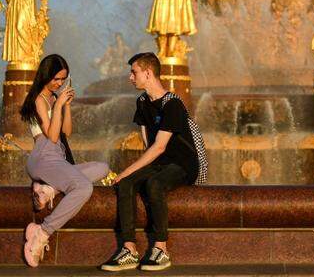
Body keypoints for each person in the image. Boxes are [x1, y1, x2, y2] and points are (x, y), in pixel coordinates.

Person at [100, 52, 199, 272]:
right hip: (160, 162)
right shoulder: (142, 102)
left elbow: (160, 146)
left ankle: (161, 249)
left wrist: (126, 171)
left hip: (183, 164)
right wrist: (129, 177)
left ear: (148, 73)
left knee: (153, 184)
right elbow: (148, 145)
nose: (130, 77)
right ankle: (129, 250)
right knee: (125, 184)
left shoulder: (172, 104)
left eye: (134, 72)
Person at [20, 54, 109, 267]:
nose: (59, 83)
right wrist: (58, 104)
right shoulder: (38, 99)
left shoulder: (54, 98)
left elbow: (66, 132)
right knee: (84, 187)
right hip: (43, 155)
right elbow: (51, 136)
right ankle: (42, 232)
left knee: (102, 167)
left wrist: (66, 105)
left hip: (56, 157)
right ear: (46, 75)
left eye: (63, 79)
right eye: (56, 79)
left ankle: (49, 189)